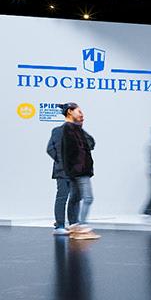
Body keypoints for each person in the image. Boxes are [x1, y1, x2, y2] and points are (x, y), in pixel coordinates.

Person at [57, 102, 99, 240]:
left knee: (75, 198)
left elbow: (90, 144)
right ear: (70, 112)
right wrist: (74, 169)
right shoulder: (69, 129)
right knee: (88, 198)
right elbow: (69, 152)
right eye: (79, 111)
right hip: (80, 170)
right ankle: (82, 226)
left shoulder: (74, 129)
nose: (82, 115)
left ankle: (74, 225)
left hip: (77, 170)